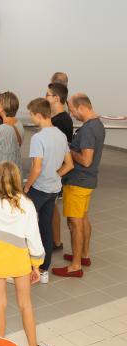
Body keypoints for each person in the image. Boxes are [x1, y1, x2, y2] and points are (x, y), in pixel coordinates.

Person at [0, 161, 52, 346]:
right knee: (25, 304)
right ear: (17, 180)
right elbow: (34, 238)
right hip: (19, 260)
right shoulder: (27, 205)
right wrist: (37, 264)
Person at [53, 93, 105, 278]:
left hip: (78, 182)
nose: (72, 114)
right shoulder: (96, 124)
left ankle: (75, 266)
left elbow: (86, 159)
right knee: (82, 219)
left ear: (82, 107)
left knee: (74, 223)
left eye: (73, 110)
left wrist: (68, 148)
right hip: (87, 181)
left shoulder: (89, 129)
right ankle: (83, 255)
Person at [24, 98, 74, 284]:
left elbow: (36, 169)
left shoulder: (38, 138)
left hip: (38, 189)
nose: (30, 117)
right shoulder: (61, 135)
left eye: (31, 114)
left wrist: (27, 186)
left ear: (38, 115)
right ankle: (44, 270)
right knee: (46, 228)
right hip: (54, 189)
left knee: (25, 227)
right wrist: (55, 175)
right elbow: (69, 164)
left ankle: (29, 268)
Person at [46, 83, 74, 251]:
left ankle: (54, 241)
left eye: (48, 95)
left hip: (55, 170)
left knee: (51, 206)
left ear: (56, 98)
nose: (45, 98)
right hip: (54, 169)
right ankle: (55, 241)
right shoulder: (58, 119)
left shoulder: (61, 121)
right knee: (52, 206)